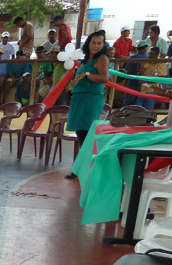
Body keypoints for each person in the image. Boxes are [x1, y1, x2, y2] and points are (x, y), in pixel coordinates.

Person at [65, 31, 109, 178]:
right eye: (93, 42)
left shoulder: (102, 58)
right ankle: (81, 168)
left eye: (99, 43)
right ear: (88, 43)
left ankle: (85, 170)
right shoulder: (85, 60)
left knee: (87, 136)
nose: (95, 46)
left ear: (103, 45)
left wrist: (87, 75)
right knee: (81, 135)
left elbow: (104, 78)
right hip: (79, 98)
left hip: (91, 100)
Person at [122, 40, 147, 106]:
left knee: (129, 103)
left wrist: (126, 83)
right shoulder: (147, 57)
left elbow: (128, 71)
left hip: (132, 83)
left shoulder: (132, 57)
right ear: (145, 48)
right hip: (144, 84)